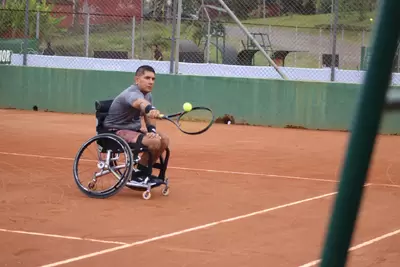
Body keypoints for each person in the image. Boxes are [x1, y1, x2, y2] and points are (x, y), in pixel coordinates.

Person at [103, 65, 169, 186]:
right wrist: (150, 108)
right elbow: (140, 103)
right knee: (154, 142)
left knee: (163, 139)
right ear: (137, 79)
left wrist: (152, 130)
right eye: (147, 78)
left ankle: (141, 172)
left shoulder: (148, 95)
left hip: (133, 129)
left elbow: (148, 116)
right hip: (116, 130)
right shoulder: (131, 92)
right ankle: (137, 175)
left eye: (153, 79)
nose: (150, 82)